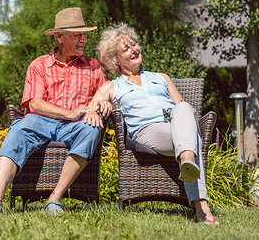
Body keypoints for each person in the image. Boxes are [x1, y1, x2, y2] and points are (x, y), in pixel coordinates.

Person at [0, 7, 112, 215]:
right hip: (41, 121)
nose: (84, 40)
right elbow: (34, 103)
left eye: (84, 35)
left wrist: (102, 104)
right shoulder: (40, 65)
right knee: (18, 129)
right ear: (59, 37)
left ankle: (54, 200)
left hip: (76, 126)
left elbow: (108, 91)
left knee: (91, 131)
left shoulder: (94, 67)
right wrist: (69, 113)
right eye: (77, 35)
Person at [88, 23, 219, 225]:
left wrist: (185, 111)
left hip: (177, 127)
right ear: (115, 60)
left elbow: (182, 107)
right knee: (190, 135)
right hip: (149, 132)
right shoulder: (113, 86)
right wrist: (104, 103)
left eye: (134, 44)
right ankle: (200, 205)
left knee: (183, 108)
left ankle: (188, 164)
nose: (134, 49)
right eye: (126, 49)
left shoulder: (162, 78)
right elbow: (91, 107)